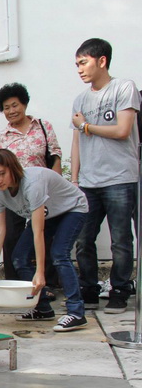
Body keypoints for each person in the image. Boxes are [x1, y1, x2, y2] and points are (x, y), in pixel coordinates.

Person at [70, 38, 141, 314]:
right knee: (83, 240)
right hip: (88, 182)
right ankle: (89, 289)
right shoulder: (80, 99)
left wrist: (86, 126)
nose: (79, 69)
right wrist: (74, 180)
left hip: (121, 178)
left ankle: (120, 291)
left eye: (83, 62)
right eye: (77, 64)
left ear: (102, 61)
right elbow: (77, 143)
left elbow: (122, 130)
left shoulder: (124, 87)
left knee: (120, 241)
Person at [0, 149, 89, 331]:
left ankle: (76, 313)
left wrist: (40, 272)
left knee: (59, 254)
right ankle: (43, 308)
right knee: (19, 257)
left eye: (2, 173)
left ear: (13, 168)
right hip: (49, 215)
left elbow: (38, 231)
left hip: (72, 209)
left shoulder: (32, 184)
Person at [0, 83, 62, 289]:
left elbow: (55, 155)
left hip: (40, 192)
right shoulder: (3, 137)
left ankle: (47, 284)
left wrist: (55, 187)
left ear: (24, 104)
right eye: (6, 108)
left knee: (44, 235)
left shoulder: (43, 126)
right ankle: (15, 284)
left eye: (15, 105)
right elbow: (0, 166)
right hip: (14, 193)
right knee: (11, 238)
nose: (11, 111)